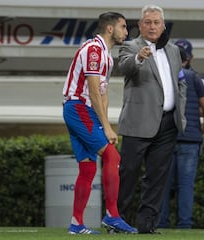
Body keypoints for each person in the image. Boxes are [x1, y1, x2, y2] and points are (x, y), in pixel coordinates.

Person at [62, 12, 137, 234]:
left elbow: (102, 95)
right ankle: (112, 216)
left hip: (81, 110)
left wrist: (104, 123)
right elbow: (94, 91)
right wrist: (106, 126)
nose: (126, 31)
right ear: (110, 29)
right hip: (78, 108)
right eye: (123, 27)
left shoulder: (107, 56)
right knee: (113, 156)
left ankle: (76, 224)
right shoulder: (94, 50)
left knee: (87, 168)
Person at [117, 5, 187, 234]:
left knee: (157, 178)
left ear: (163, 25)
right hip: (138, 122)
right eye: (148, 22)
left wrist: (181, 115)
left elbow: (181, 82)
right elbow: (124, 67)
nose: (152, 26)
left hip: (167, 124)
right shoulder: (130, 46)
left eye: (156, 22)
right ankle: (118, 222)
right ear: (140, 25)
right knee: (128, 174)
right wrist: (138, 58)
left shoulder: (174, 50)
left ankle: (147, 226)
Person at [158, 39, 204, 229]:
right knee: (186, 185)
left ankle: (161, 224)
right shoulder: (195, 78)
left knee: (162, 186)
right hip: (190, 139)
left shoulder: (163, 76)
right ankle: (184, 225)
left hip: (165, 137)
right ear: (189, 58)